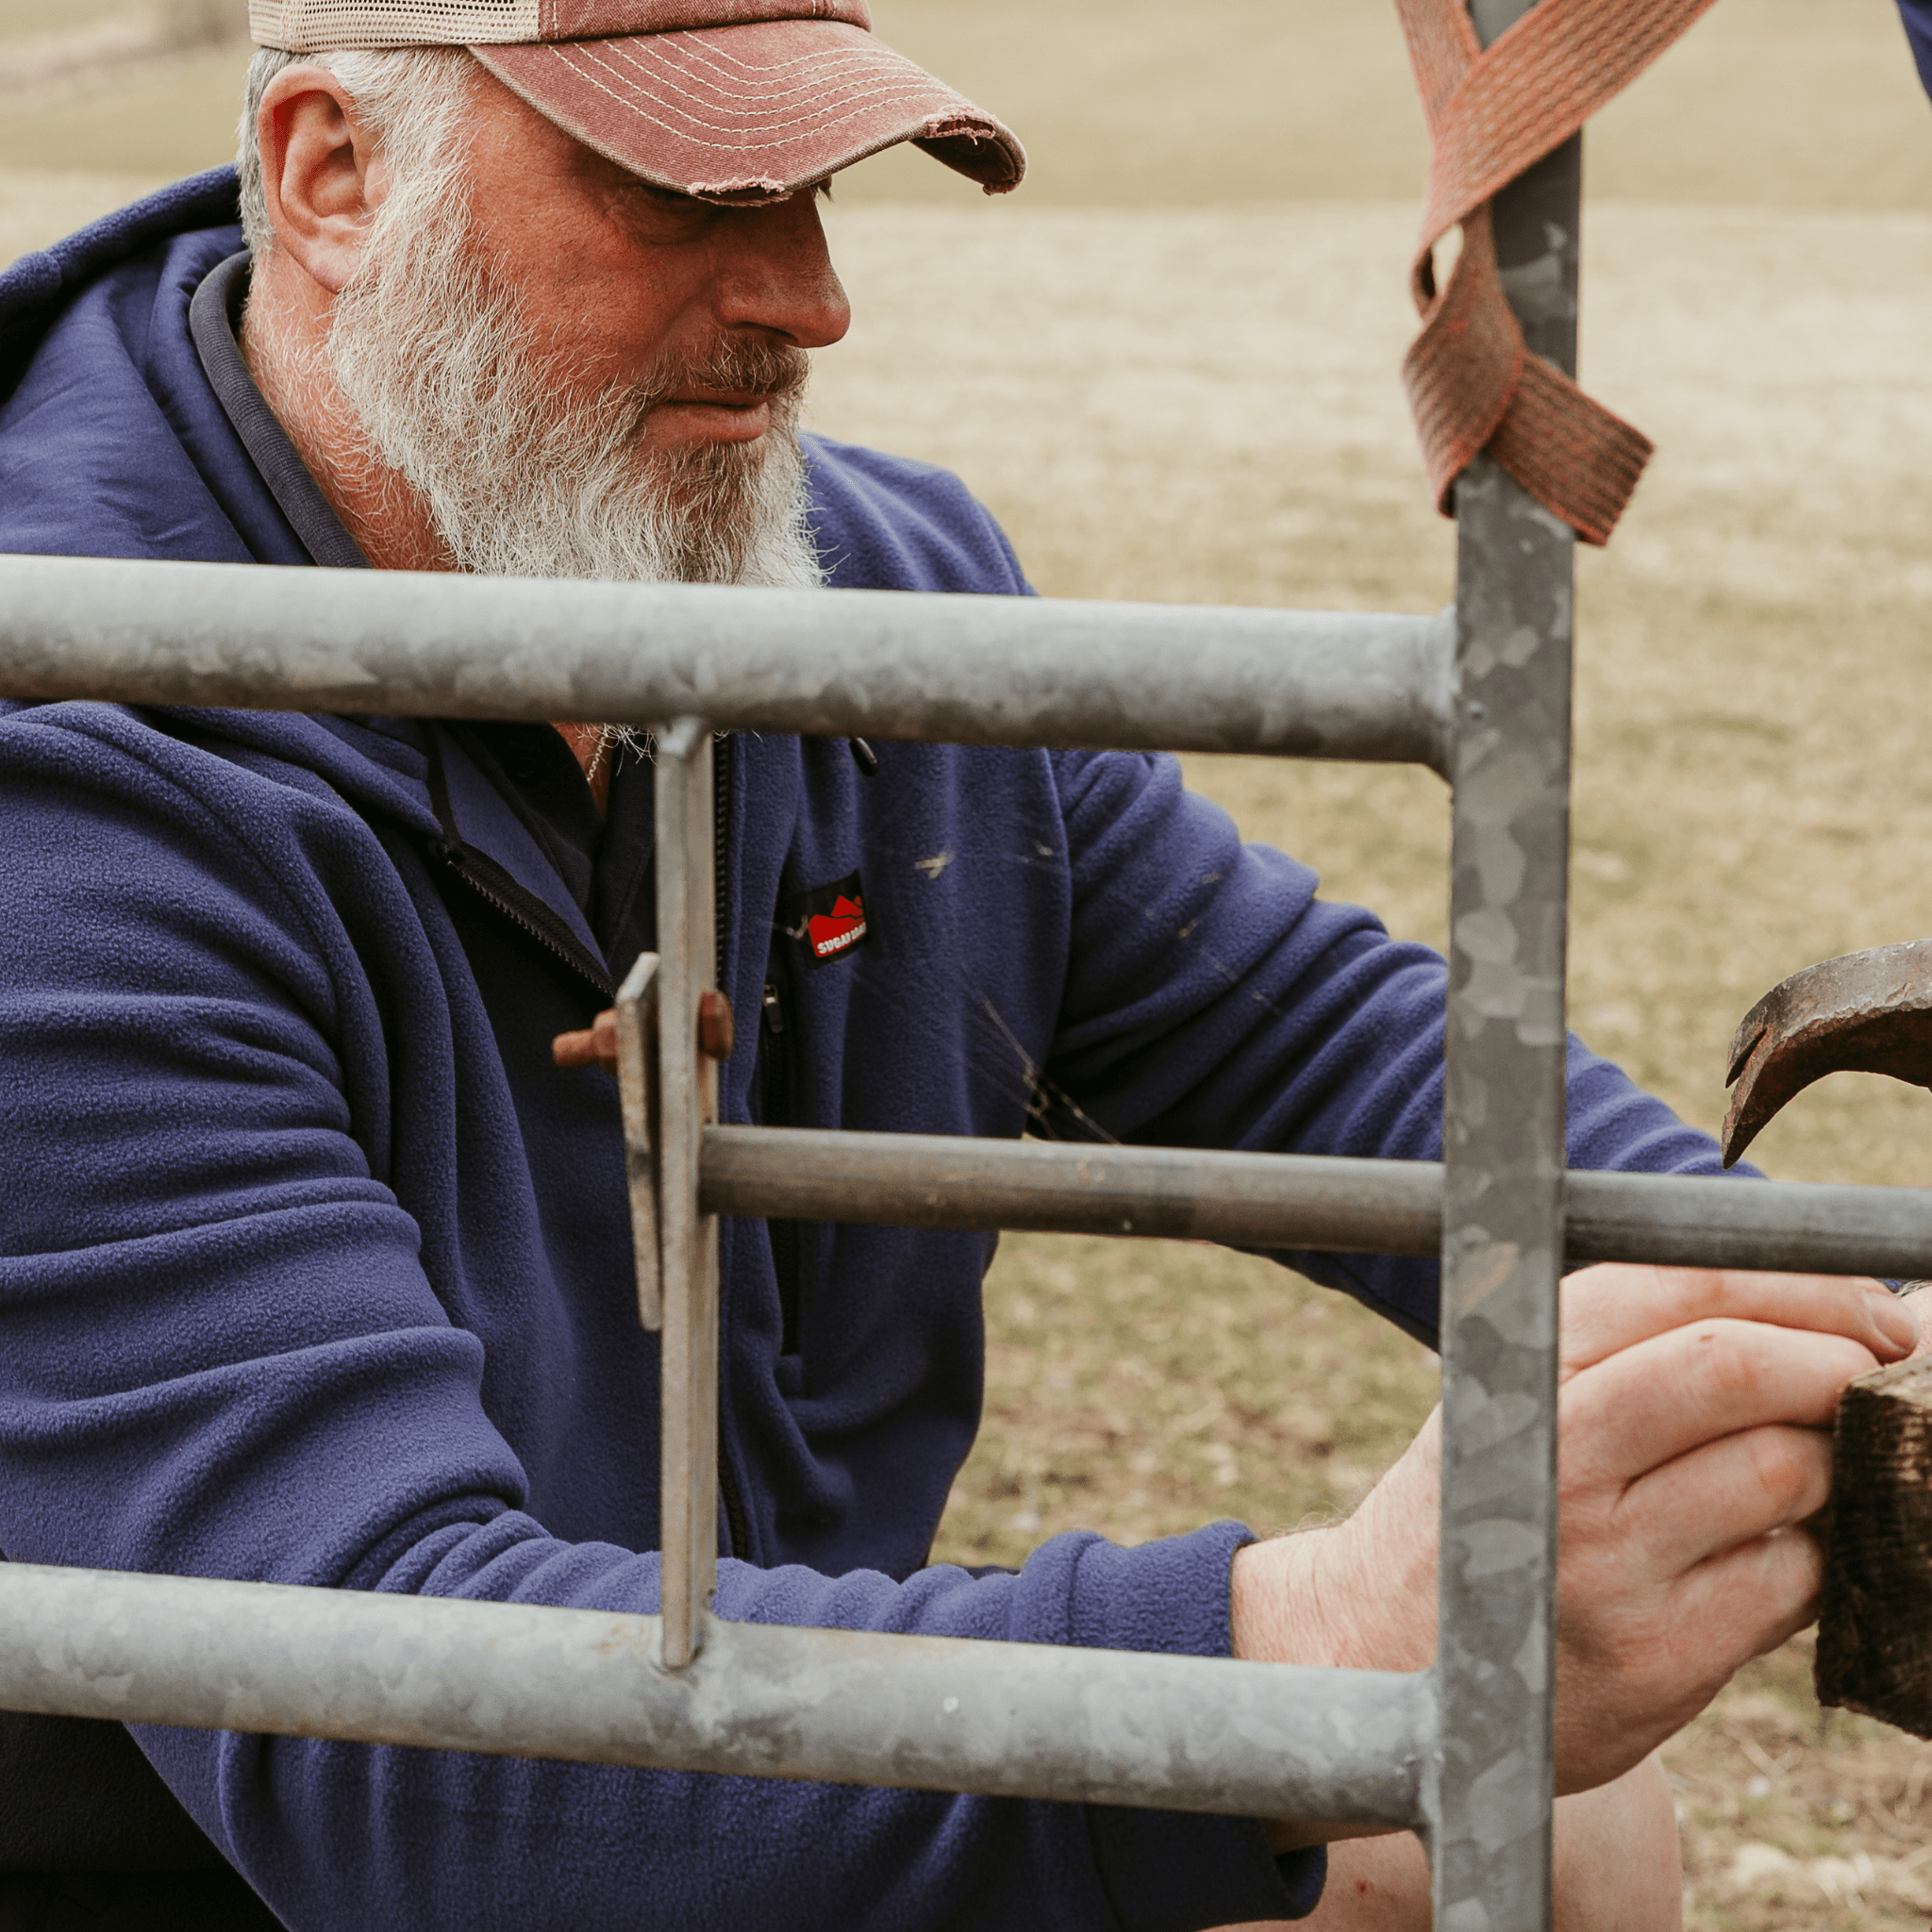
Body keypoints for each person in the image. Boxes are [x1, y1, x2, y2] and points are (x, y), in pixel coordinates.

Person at [0, 8, 1905, 1928]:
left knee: (1558, 1827)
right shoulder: (57, 797)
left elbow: (1317, 1036)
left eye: (816, 185)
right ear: (336, 174)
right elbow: (390, 1743)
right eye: (684, 189)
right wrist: (1331, 1630)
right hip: (285, 1877)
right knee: (1406, 1744)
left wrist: (1857, 1310)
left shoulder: (858, 597)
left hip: (758, 1792)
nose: (811, 296)